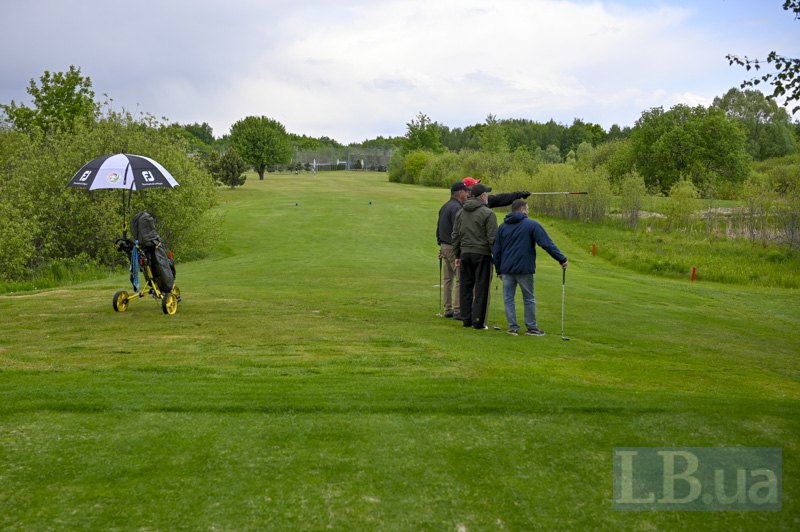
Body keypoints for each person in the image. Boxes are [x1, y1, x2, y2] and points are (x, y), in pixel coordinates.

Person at [493, 199, 568, 336]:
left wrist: (498, 269)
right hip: (524, 268)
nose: (528, 211)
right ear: (522, 209)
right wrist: (561, 259)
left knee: (508, 298)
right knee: (528, 298)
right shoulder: (531, 225)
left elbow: (496, 250)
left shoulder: (503, 226)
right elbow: (546, 243)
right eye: (527, 209)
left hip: (506, 269)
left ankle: (512, 327)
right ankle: (531, 327)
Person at [452, 184, 498, 330]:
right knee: (481, 288)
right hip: (482, 254)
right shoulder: (488, 213)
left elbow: (455, 235)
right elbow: (492, 238)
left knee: (465, 287)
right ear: (481, 196)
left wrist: (457, 254)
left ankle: (466, 319)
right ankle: (478, 321)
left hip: (465, 253)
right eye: (486, 194)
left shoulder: (461, 212)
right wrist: (496, 257)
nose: (488, 197)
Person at [437, 182, 469, 319]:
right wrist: (459, 251)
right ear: (460, 193)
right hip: (453, 247)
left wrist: (440, 246)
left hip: (444, 246)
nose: (467, 194)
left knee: (447, 279)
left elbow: (438, 229)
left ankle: (448, 308)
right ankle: (458, 309)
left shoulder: (444, 206)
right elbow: (458, 231)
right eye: (466, 192)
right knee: (460, 279)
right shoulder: (457, 208)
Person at [462, 176, 531, 209]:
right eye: (474, 185)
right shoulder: (460, 205)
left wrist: (519, 194)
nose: (477, 186)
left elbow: (501, 198)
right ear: (468, 189)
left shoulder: (482, 199)